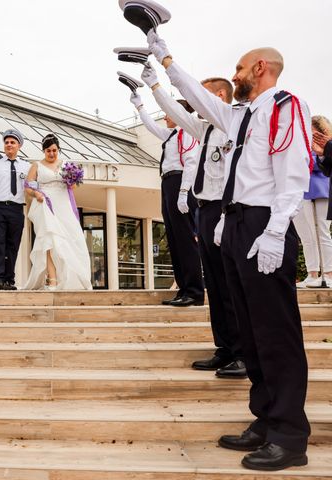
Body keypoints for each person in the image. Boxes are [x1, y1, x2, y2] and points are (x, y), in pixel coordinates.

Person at [149, 32, 311, 471]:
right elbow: (200, 101)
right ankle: (265, 419)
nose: (235, 75)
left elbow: (292, 176)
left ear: (260, 68)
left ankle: (290, 435)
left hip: (264, 224)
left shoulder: (283, 107)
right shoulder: (242, 116)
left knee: (276, 334)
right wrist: (164, 60)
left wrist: (276, 232)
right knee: (253, 331)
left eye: (240, 68)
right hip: (237, 223)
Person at [141, 63, 245, 378]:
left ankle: (241, 353)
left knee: (229, 285)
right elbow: (179, 111)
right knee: (214, 283)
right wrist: (155, 87)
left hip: (227, 209)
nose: (199, 101)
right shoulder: (206, 129)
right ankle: (224, 348)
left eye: (205, 94)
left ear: (221, 97)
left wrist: (168, 61)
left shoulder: (232, 125)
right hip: (206, 209)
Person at [130, 90, 203, 306]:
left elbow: (190, 163)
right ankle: (183, 288)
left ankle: (195, 292)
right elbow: (152, 128)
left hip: (181, 183)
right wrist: (140, 107)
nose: (165, 117)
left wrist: (183, 192)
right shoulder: (172, 134)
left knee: (185, 240)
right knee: (174, 240)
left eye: (168, 113)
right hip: (168, 183)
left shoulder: (187, 132)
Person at [24, 134, 92, 290]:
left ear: (58, 149)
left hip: (64, 205)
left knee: (74, 239)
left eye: (54, 150)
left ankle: (75, 278)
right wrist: (36, 194)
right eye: (48, 151)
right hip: (46, 204)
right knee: (50, 240)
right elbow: (28, 187)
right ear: (44, 151)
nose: (52, 154)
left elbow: (72, 188)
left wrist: (73, 179)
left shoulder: (66, 164)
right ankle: (52, 278)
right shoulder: (36, 166)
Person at [0, 129, 31, 289]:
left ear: (19, 146)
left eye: (12, 142)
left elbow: (34, 186)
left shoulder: (27, 166)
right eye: (6, 142)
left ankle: (9, 279)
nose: (9, 145)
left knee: (12, 245)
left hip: (17, 210)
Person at [294, 116, 332, 287]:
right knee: (306, 235)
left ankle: (329, 274)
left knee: (322, 233)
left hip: (320, 190)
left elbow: (318, 165)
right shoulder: (300, 143)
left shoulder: (324, 145)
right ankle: (312, 273)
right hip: (302, 191)